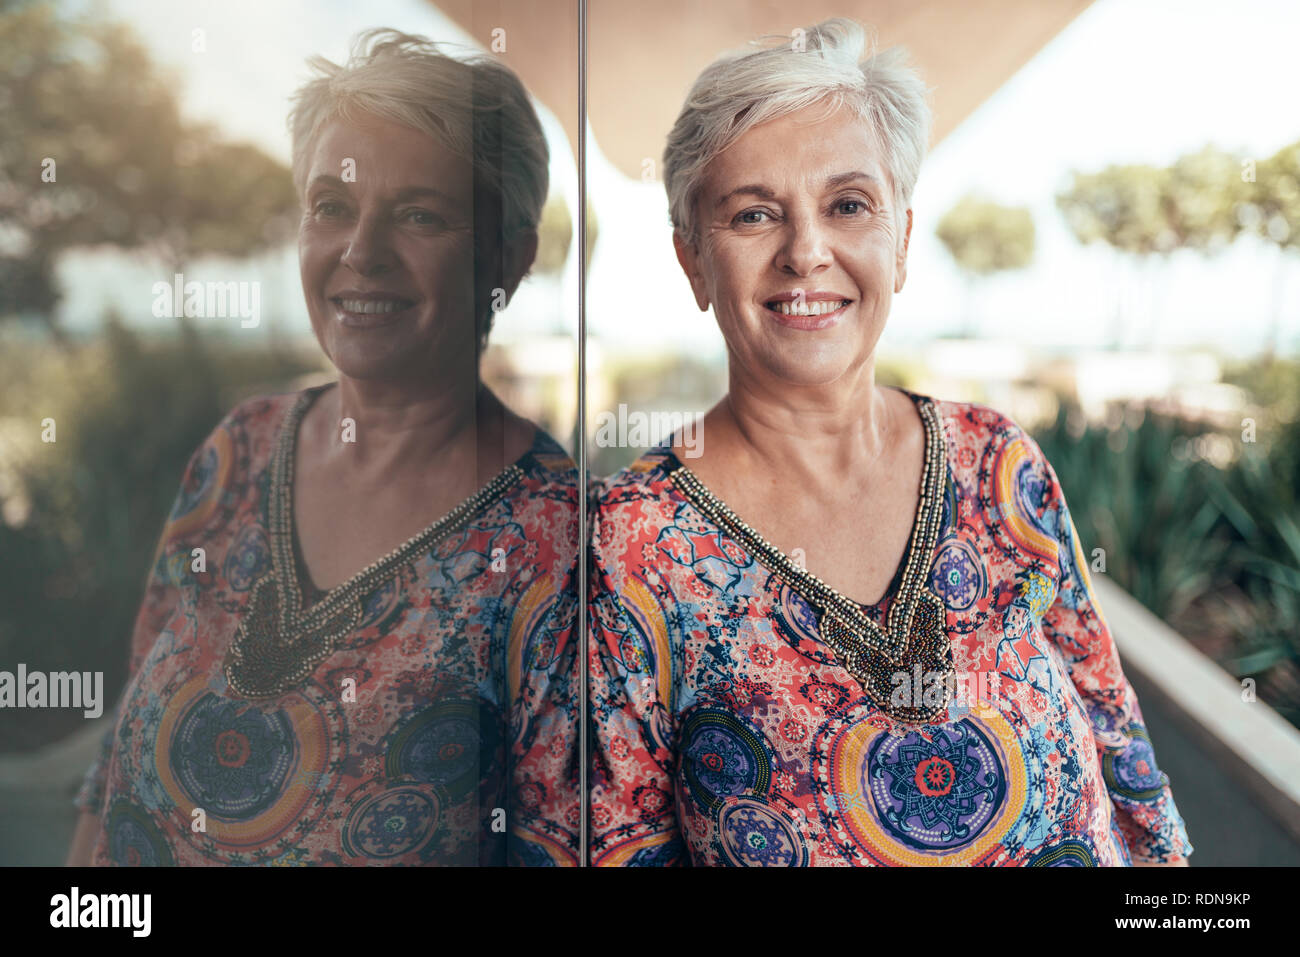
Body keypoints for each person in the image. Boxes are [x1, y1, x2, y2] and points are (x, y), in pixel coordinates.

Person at [588, 18, 1192, 866]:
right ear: (693, 261)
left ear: (901, 242)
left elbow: (1126, 761)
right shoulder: (627, 544)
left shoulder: (997, 462)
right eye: (754, 213)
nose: (806, 252)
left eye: (848, 205)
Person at [67, 29, 579, 867]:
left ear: (510, 259)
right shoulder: (239, 449)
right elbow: (115, 757)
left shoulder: (560, 541)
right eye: (331, 207)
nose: (360, 252)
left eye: (419, 214)